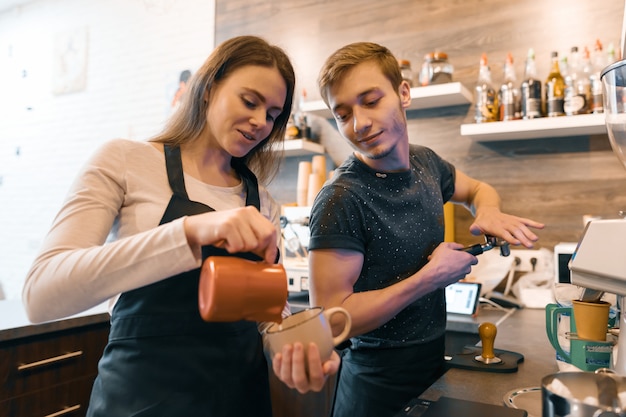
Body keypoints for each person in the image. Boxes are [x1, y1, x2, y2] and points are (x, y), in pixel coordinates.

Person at [23, 35, 339, 417]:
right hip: (139, 403)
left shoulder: (262, 202)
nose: (260, 122)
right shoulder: (124, 161)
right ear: (208, 89)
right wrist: (188, 232)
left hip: (239, 403)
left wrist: (293, 349)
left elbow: (267, 315)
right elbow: (40, 295)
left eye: (272, 114)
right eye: (249, 101)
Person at [307, 41, 545, 417]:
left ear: (404, 93)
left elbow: (478, 190)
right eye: (343, 114)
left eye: (370, 101)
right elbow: (332, 317)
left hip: (434, 365)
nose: (359, 123)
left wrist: (489, 211)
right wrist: (429, 277)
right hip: (375, 383)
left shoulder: (425, 163)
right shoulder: (341, 198)